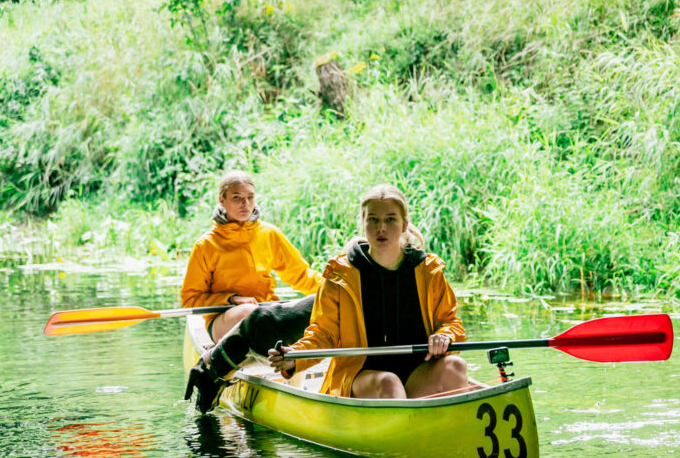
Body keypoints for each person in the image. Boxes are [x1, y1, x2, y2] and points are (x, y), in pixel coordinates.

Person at [268, 184, 468, 399]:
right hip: (361, 376)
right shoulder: (339, 276)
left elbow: (450, 322)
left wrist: (444, 336)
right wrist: (294, 357)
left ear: (404, 225)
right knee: (389, 384)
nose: (381, 228)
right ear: (363, 224)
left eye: (390, 219)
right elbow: (322, 333)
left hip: (418, 371)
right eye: (373, 219)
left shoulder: (429, 271)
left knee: (455, 365)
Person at [181, 170, 321, 413]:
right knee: (249, 311)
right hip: (223, 320)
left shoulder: (269, 234)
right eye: (236, 198)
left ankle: (283, 367)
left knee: (302, 310)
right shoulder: (206, 245)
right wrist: (231, 299)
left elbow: (302, 276)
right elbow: (190, 299)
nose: (244, 204)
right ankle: (219, 365)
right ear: (222, 200)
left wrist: (336, 291)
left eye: (250, 197)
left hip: (267, 316)